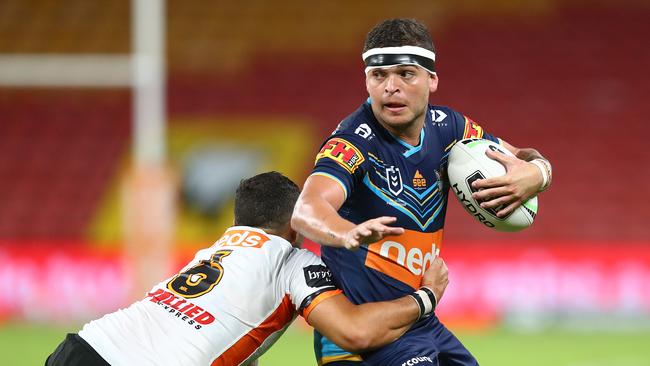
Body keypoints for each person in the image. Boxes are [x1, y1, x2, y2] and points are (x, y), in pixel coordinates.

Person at [291, 18, 553, 366]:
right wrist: (346, 232)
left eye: (405, 74)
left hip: (419, 322)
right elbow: (307, 208)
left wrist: (538, 173)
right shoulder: (353, 142)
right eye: (378, 75)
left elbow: (521, 157)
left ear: (432, 78)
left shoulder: (450, 127)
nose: (390, 88)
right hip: (365, 340)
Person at [46, 171, 450, 366]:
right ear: (297, 222)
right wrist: (426, 296)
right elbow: (355, 332)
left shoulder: (213, 251)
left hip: (79, 349)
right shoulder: (292, 262)